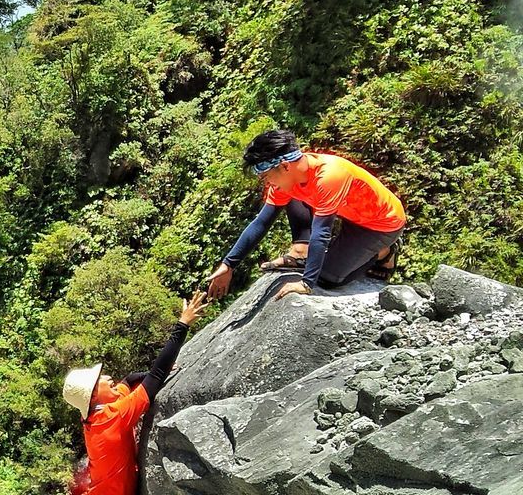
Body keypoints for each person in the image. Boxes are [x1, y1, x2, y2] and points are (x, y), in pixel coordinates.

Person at [206, 129, 407, 302]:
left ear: (284, 166)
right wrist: (228, 264)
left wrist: (307, 283)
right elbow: (262, 222)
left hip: (381, 223)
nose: (266, 183)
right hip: (350, 214)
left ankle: (384, 252)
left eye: (266, 176)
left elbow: (322, 233)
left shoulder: (329, 176)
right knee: (291, 192)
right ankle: (302, 251)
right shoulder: (289, 175)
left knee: (327, 277)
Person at [64, 291, 209, 495]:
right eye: (100, 380)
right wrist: (183, 324)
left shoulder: (95, 413)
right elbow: (157, 376)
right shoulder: (111, 417)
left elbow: (129, 379)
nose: (107, 378)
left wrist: (151, 373)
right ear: (94, 395)